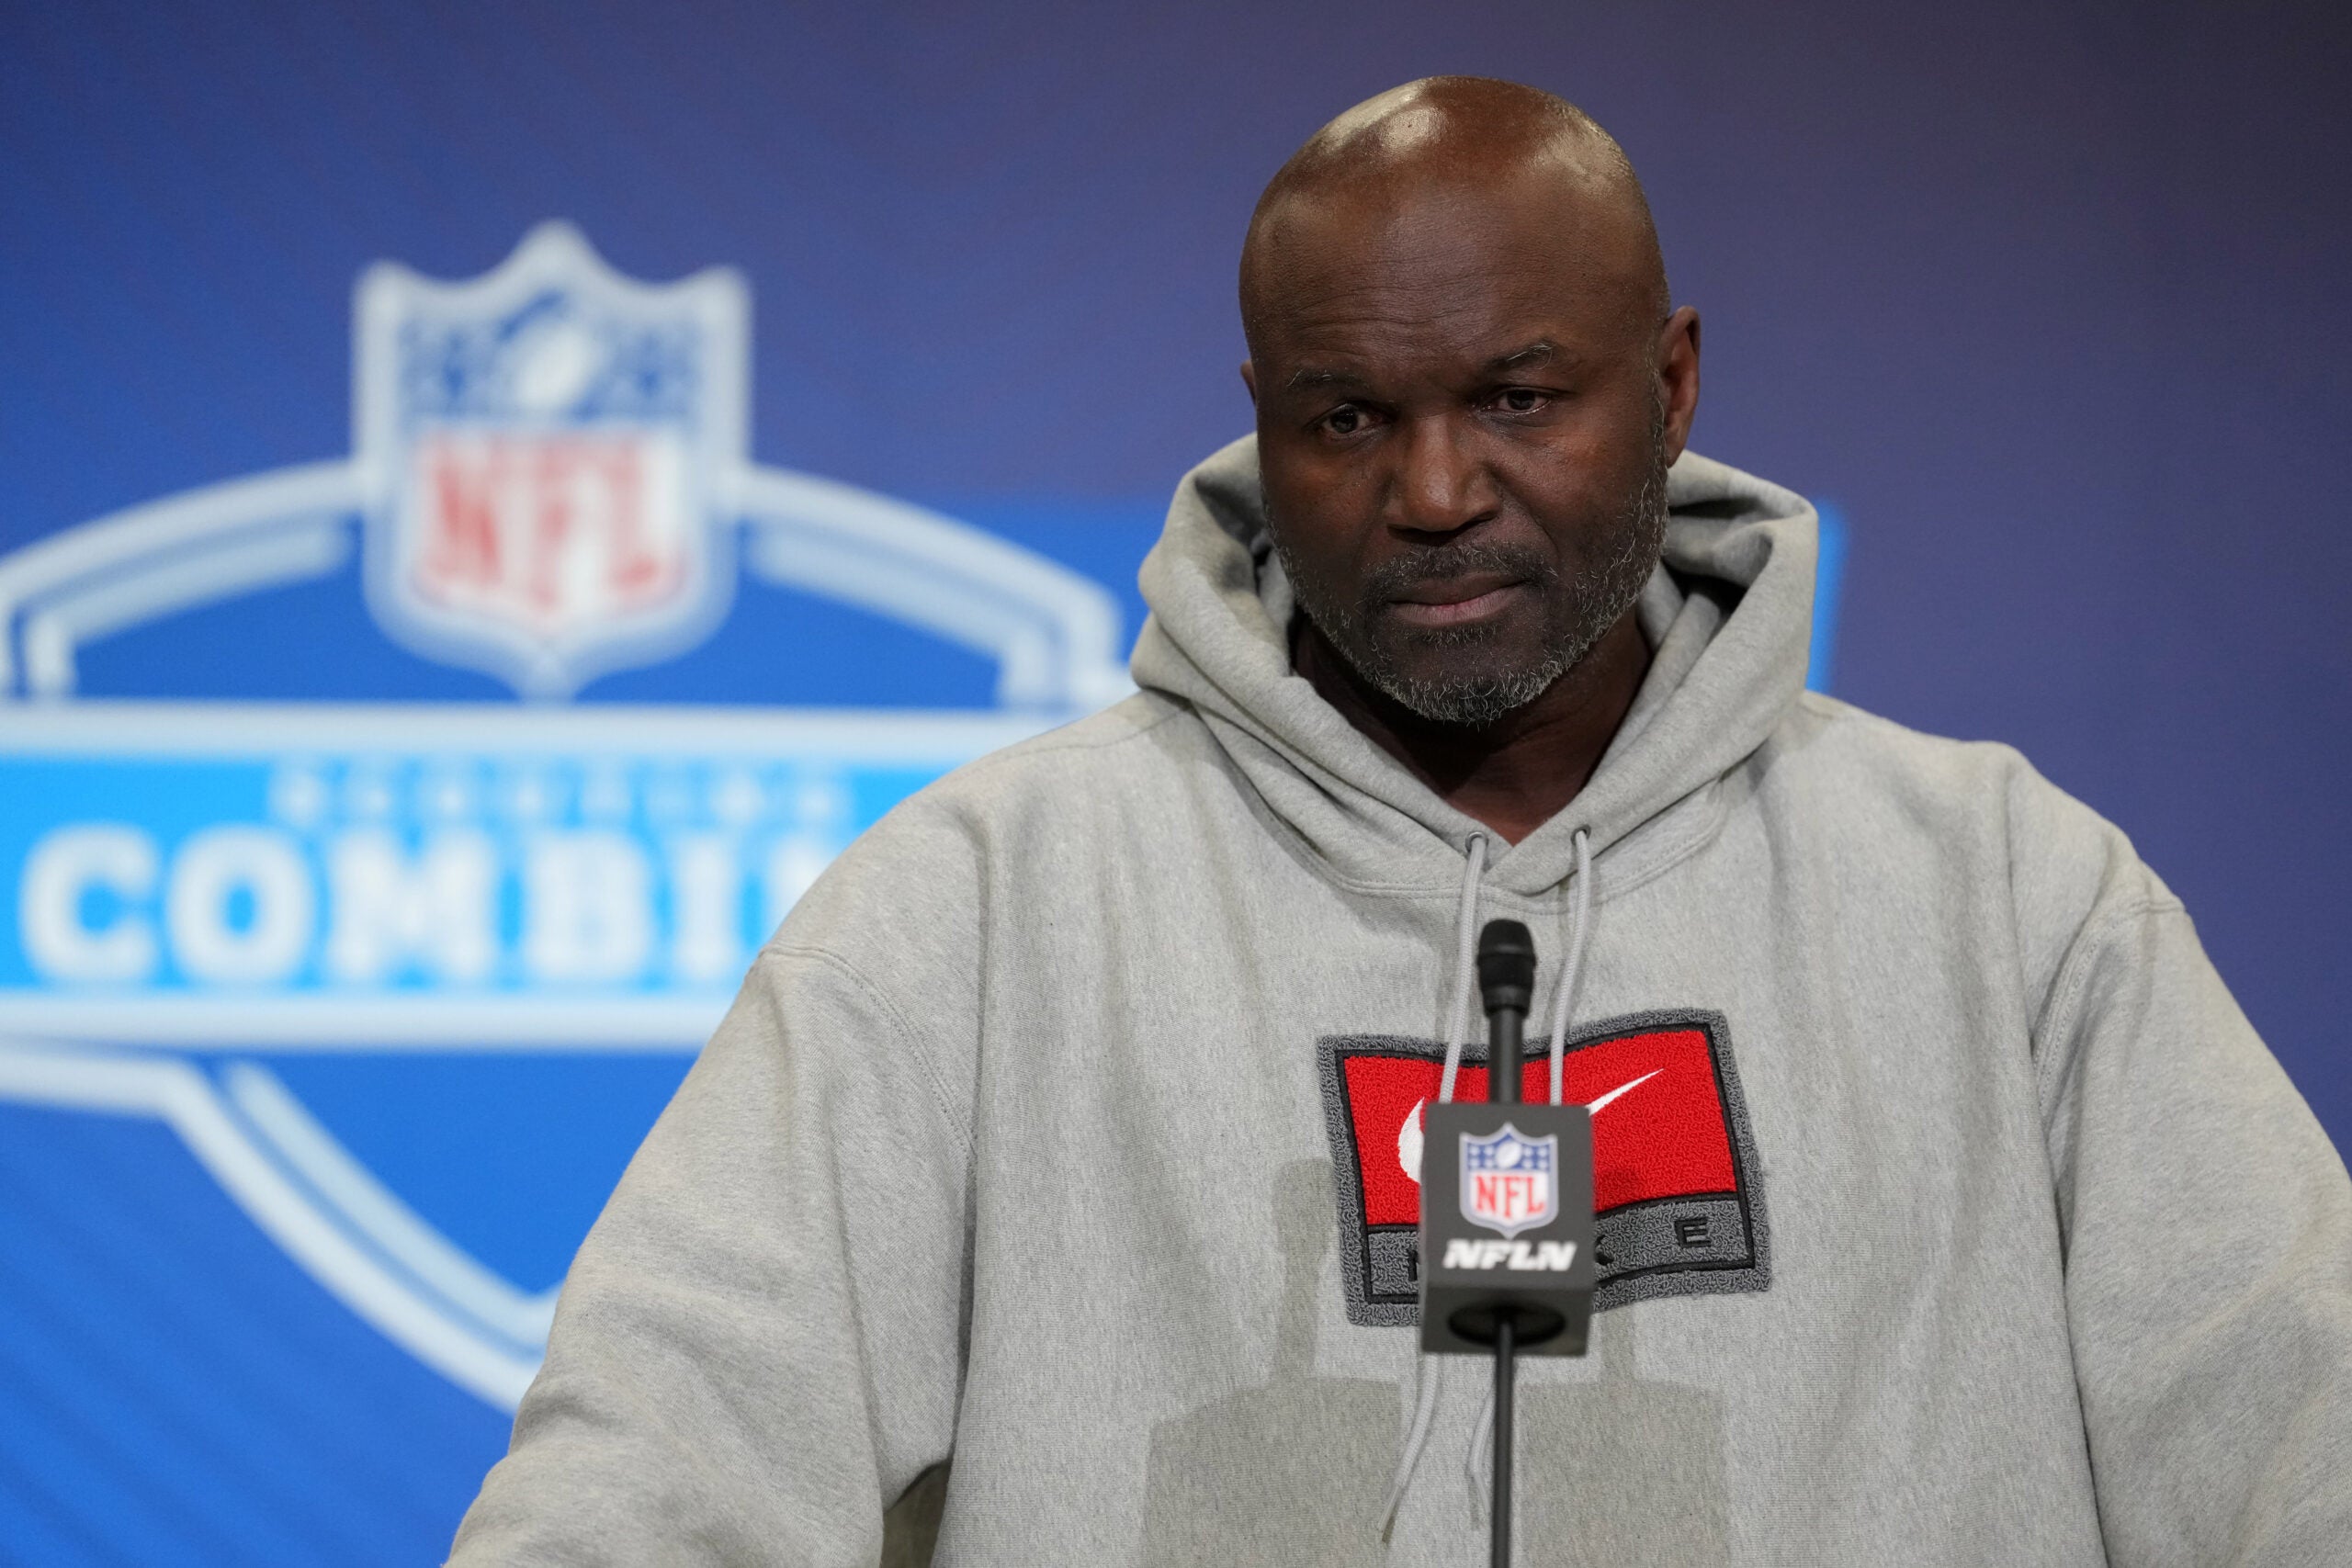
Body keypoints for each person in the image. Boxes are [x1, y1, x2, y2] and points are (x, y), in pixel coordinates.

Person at [449, 77, 2352, 1566]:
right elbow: (649, 1478)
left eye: (1517, 397)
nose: (1434, 490)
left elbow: (2303, 1443)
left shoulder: (2004, 901)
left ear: (1671, 385)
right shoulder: (980, 906)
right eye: (1346, 417)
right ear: (1259, 422)